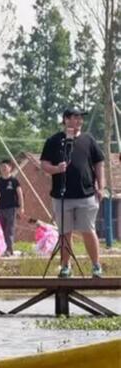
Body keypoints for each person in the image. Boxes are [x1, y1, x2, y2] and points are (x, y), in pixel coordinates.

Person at [40, 107, 104, 278]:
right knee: (64, 232)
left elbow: (99, 163)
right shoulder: (54, 141)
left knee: (88, 230)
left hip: (86, 194)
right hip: (62, 196)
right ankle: (65, 266)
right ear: (66, 119)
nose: (79, 121)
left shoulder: (88, 139)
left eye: (81, 118)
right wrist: (56, 169)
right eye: (76, 118)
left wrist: (101, 186)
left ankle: (96, 266)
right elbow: (44, 164)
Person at [0, 160, 24, 257]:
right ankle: (5, 249)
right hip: (1, 208)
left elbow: (20, 194)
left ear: (10, 168)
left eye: (5, 167)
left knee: (10, 229)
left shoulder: (14, 181)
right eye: (1, 167)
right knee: (3, 229)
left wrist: (21, 208)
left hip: (11, 208)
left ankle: (9, 250)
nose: (3, 169)